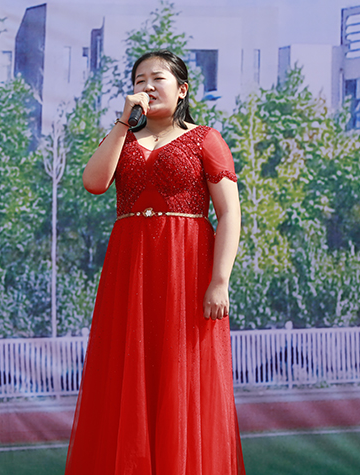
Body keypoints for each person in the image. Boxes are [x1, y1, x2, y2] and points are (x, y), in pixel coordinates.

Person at [64, 49, 245, 475]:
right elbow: (94, 182)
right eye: (139, 79)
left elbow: (230, 213)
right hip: (130, 271)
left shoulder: (206, 139)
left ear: (181, 90)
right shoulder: (123, 139)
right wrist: (123, 123)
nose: (147, 86)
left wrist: (219, 280)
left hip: (186, 271)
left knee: (182, 374)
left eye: (157, 78)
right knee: (128, 373)